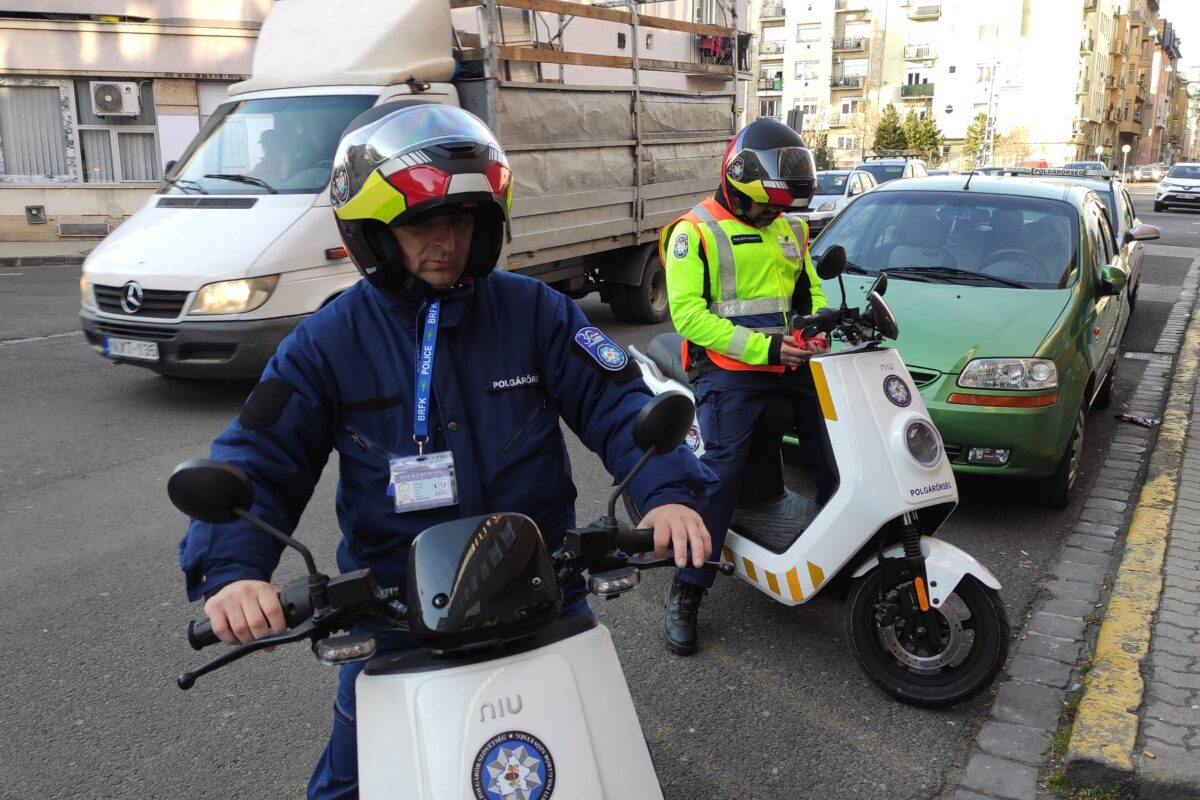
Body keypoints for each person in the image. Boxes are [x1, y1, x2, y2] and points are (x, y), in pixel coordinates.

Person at [178, 100, 715, 800]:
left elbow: (621, 399)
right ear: (374, 231)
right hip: (398, 618)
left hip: (543, 593)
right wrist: (233, 572)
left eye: (460, 220)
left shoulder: (537, 312)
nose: (447, 241)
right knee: (344, 789)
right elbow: (256, 452)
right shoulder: (325, 343)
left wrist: (669, 493)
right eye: (422, 222)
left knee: (619, 775)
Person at [658, 117, 830, 657]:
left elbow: (812, 294)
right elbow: (688, 318)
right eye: (764, 206)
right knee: (720, 474)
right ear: (734, 182)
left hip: (789, 364)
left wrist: (818, 329)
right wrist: (766, 349)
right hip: (727, 372)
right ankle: (688, 589)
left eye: (779, 208)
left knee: (837, 446)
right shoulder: (694, 232)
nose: (772, 215)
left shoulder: (790, 230)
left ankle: (839, 551)